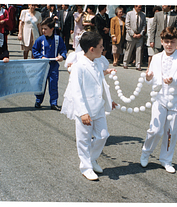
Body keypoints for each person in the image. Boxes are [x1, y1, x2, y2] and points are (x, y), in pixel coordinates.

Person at [61, 31, 117, 181]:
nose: (103, 49)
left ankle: (92, 159)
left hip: (98, 106)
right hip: (85, 108)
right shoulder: (78, 67)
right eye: (100, 46)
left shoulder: (97, 63)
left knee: (103, 135)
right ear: (91, 48)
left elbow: (101, 84)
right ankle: (85, 166)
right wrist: (82, 112)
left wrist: (108, 100)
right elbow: (76, 91)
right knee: (84, 139)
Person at [140, 26, 177, 174]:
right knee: (155, 129)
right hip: (159, 97)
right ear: (161, 42)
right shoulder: (156, 58)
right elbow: (151, 78)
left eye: (172, 42)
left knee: (171, 131)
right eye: (166, 41)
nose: (169, 45)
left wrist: (173, 80)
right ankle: (146, 152)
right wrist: (148, 78)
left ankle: (166, 159)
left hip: (175, 100)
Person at [32, 17, 67, 110]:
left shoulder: (58, 39)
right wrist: (40, 57)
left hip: (53, 66)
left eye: (45, 29)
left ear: (52, 29)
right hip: (42, 66)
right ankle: (38, 100)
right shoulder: (40, 39)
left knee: (53, 84)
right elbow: (34, 50)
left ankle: (54, 102)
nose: (43, 30)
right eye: (42, 28)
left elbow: (63, 50)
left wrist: (62, 56)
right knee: (41, 84)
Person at [123, 5, 146, 71]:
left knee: (139, 50)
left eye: (141, 7)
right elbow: (127, 25)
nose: (140, 8)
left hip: (139, 36)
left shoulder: (143, 15)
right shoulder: (129, 14)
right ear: (135, 6)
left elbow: (144, 25)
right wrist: (133, 34)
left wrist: (141, 34)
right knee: (129, 49)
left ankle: (138, 64)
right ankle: (125, 63)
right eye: (139, 7)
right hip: (131, 35)